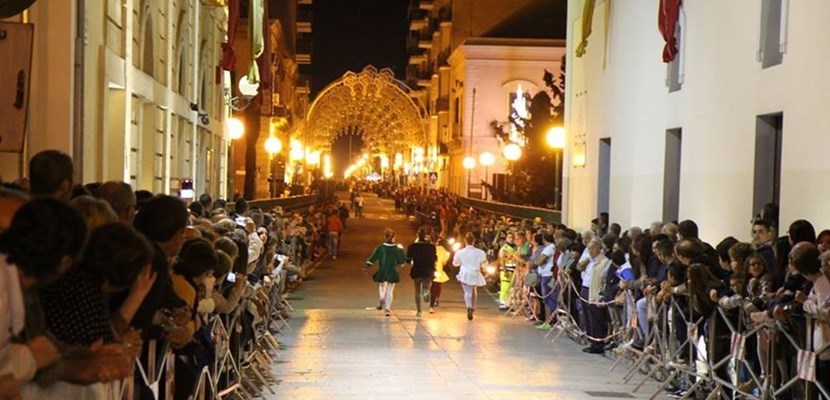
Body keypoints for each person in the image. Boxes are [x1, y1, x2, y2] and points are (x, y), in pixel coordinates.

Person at [364, 229, 407, 317]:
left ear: (385, 237)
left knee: (382, 286)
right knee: (390, 290)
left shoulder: (380, 248)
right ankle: (387, 309)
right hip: (392, 271)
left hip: (383, 270)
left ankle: (381, 298)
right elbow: (402, 260)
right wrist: (399, 264)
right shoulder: (398, 249)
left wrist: (366, 266)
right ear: (394, 238)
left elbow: (373, 258)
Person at [453, 233, 488, 321]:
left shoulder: (460, 252)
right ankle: (472, 307)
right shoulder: (480, 252)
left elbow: (455, 263)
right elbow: (484, 264)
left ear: (465, 241)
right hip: (475, 273)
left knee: (467, 292)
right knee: (474, 290)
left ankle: (468, 306)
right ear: (474, 241)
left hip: (465, 274)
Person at [406, 227, 437, 317]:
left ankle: (419, 311)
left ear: (417, 235)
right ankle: (426, 291)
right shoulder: (431, 247)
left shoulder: (412, 247)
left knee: (417, 290)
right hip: (428, 270)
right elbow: (435, 259)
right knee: (426, 285)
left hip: (417, 269)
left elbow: (408, 260)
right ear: (426, 236)